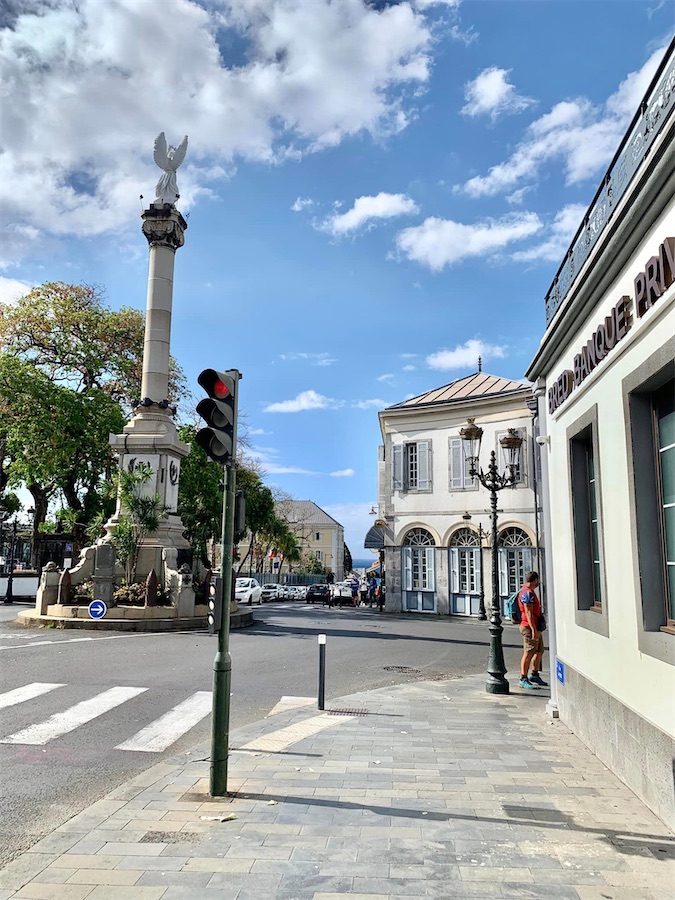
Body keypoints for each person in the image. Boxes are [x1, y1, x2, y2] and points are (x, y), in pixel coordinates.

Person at [517, 571, 547, 689]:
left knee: (539, 651)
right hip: (529, 627)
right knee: (528, 653)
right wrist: (534, 629)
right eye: (538, 580)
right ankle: (523, 678)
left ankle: (534, 674)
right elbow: (528, 612)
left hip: (535, 626)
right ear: (535, 580)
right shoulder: (527, 594)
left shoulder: (528, 591)